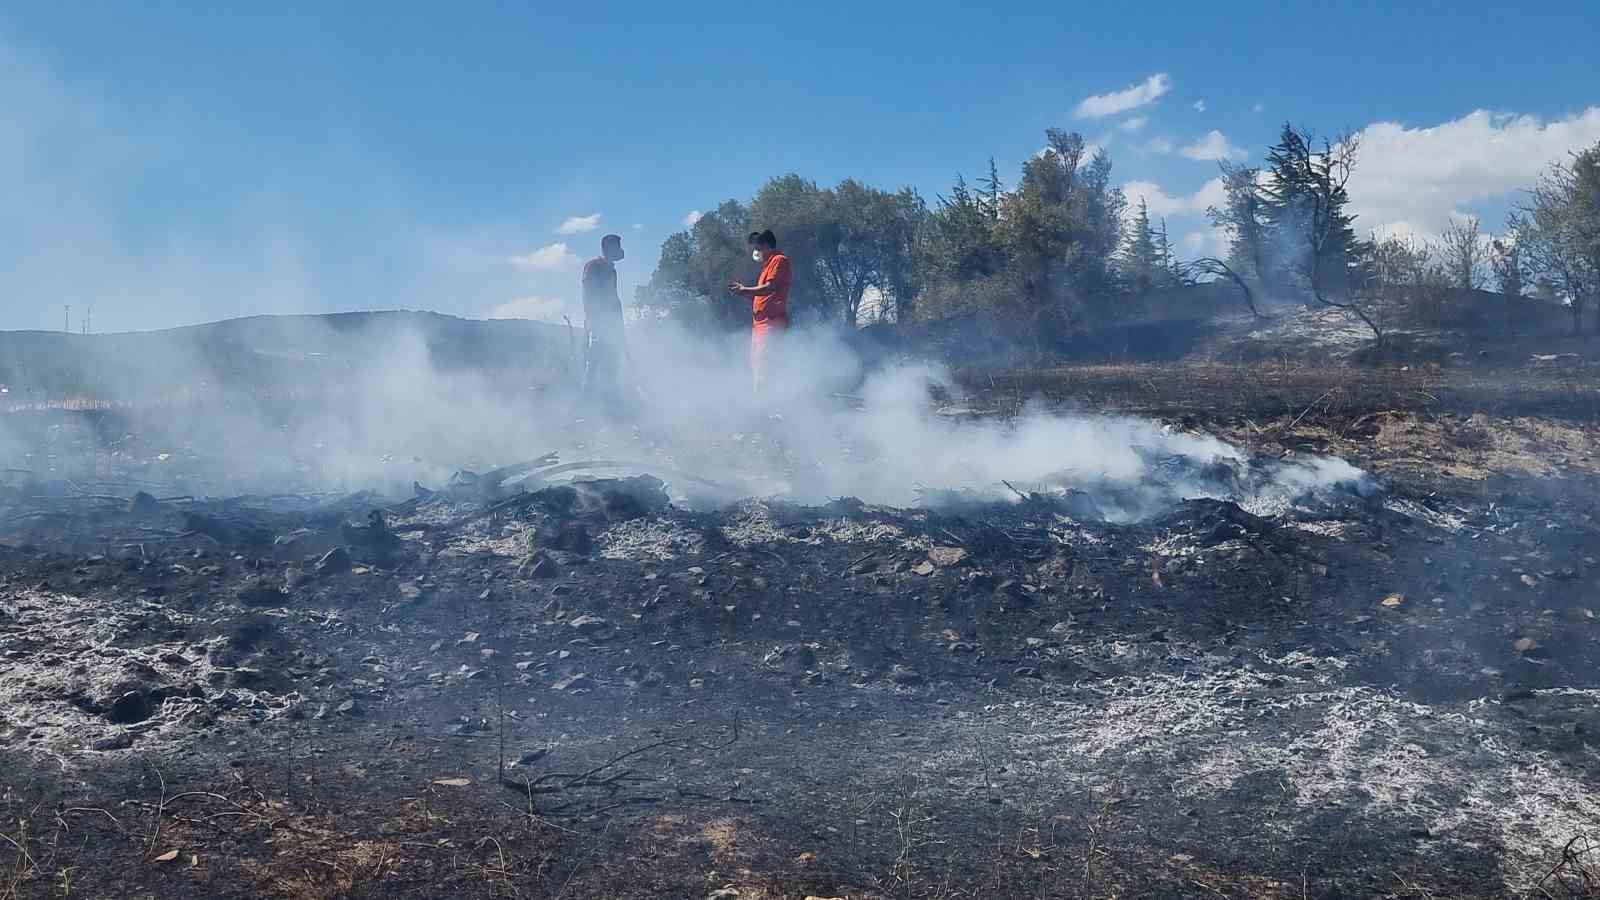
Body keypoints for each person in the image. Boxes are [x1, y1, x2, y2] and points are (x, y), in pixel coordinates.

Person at [726, 229, 791, 394]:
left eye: (757, 248)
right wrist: (743, 292)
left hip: (771, 323)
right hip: (760, 325)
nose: (755, 252)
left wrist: (745, 289)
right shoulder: (766, 267)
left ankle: (765, 407)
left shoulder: (779, 260)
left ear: (766, 246)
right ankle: (760, 403)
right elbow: (761, 297)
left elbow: (770, 288)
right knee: (757, 364)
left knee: (765, 363)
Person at [580, 234, 627, 403]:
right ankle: (584, 404)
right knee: (593, 364)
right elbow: (588, 294)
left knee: (612, 365)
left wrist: (619, 325)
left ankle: (610, 405)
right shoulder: (593, 267)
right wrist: (592, 320)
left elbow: (615, 299)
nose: (620, 250)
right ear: (608, 248)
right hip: (598, 324)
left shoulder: (611, 271)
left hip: (612, 325)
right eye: (617, 246)